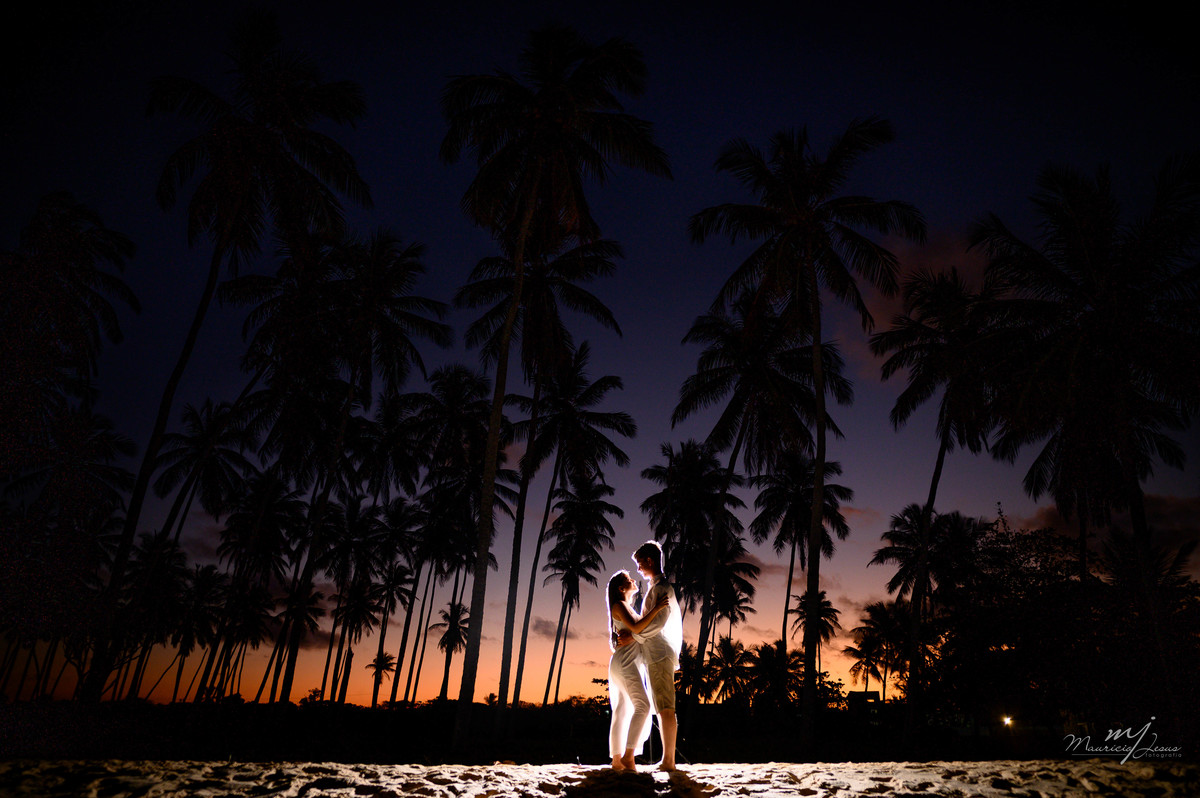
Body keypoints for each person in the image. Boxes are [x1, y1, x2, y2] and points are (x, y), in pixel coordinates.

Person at [627, 540, 683, 771]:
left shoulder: (662, 589)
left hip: (659, 653)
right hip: (655, 654)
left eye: (640, 563)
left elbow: (657, 624)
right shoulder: (657, 588)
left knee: (665, 706)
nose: (638, 568)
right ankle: (667, 759)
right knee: (661, 706)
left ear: (650, 561)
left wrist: (634, 636)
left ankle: (669, 760)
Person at [605, 569, 669, 772]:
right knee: (643, 706)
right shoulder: (619, 605)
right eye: (628, 579)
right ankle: (628, 757)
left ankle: (617, 761)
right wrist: (657, 608)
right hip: (625, 662)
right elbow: (637, 627)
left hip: (625, 662)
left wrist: (633, 636)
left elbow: (637, 631)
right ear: (621, 588)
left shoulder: (625, 606)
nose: (634, 579)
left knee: (622, 710)